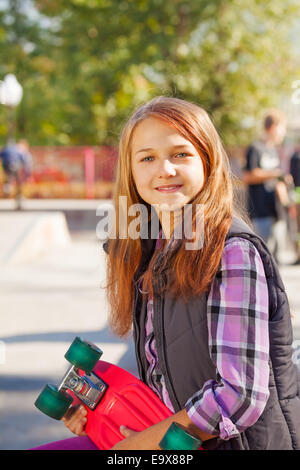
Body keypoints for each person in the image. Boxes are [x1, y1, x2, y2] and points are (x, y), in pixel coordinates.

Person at [32, 97, 300, 450]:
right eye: (147, 158)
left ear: (207, 160)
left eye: (180, 154)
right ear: (131, 172)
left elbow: (240, 395)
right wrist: (103, 413)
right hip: (162, 437)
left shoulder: (231, 251)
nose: (165, 169)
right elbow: (162, 379)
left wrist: (141, 445)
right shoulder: (154, 249)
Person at [242, 110, 290, 262]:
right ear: (273, 127)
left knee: (276, 259)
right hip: (260, 211)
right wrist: (275, 173)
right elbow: (248, 176)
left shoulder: (273, 150)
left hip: (276, 210)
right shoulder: (255, 148)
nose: (284, 133)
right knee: (262, 257)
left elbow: (275, 180)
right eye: (283, 128)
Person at [0, 139, 32, 208]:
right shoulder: (19, 151)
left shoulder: (6, 149)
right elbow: (24, 161)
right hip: (15, 166)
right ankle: (18, 196)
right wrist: (27, 173)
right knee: (18, 182)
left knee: (8, 176)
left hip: (6, 167)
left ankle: (7, 186)